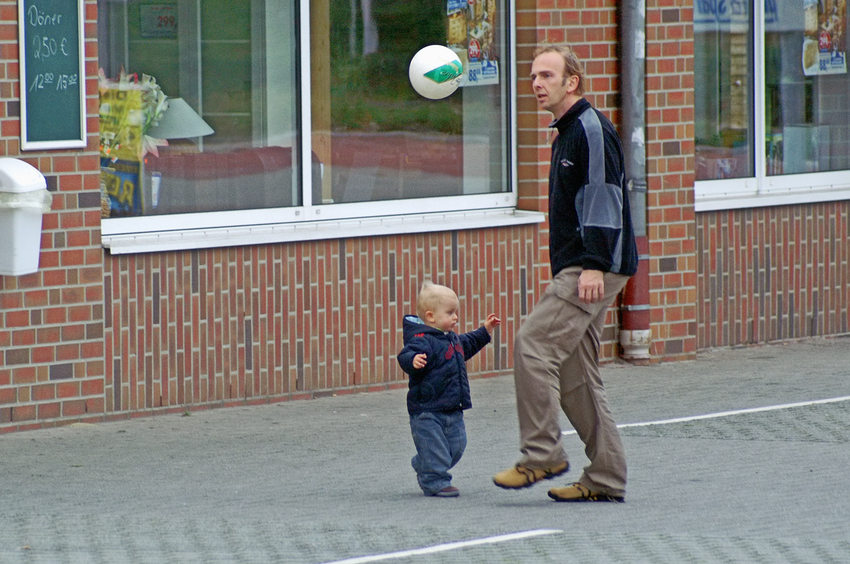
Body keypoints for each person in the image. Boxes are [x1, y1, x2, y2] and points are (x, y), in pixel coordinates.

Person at [492, 45, 638, 502]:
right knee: (576, 374)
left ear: (571, 82)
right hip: (588, 264)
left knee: (533, 344)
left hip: (590, 266)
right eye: (534, 76)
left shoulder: (589, 129)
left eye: (547, 75)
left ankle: (542, 455)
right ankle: (607, 478)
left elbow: (603, 195)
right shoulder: (567, 131)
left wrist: (593, 264)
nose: (537, 83)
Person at [398, 282, 500, 497]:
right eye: (450, 313)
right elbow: (405, 355)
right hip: (426, 409)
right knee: (435, 448)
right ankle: (435, 481)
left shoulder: (452, 339)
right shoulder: (421, 340)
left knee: (457, 446)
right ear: (431, 316)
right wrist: (412, 360)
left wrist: (485, 331)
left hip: (453, 406)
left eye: (456, 312)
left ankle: (425, 462)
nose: (456, 318)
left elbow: (469, 342)